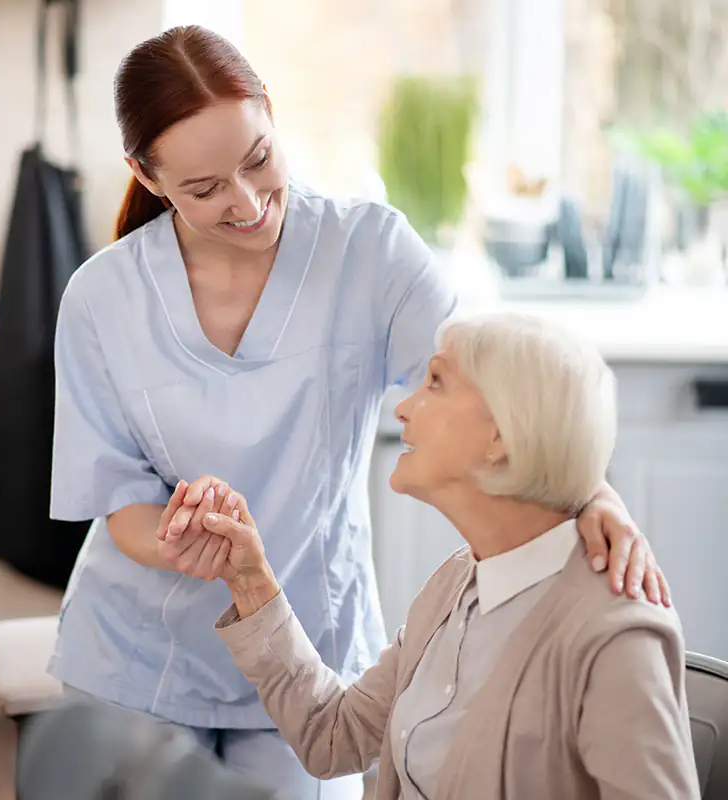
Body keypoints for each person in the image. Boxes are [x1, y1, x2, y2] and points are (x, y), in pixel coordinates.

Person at [50, 25, 670, 799]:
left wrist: (592, 493)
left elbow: (495, 386)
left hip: (312, 653)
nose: (246, 203)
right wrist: (186, 541)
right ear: (146, 173)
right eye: (205, 189)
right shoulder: (101, 297)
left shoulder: (368, 251)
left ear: (271, 112)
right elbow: (116, 499)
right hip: (134, 655)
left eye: (258, 160)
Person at [194, 312, 699, 800]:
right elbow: (335, 736)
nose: (403, 407)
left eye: (435, 382)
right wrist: (250, 579)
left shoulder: (614, 640)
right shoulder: (458, 583)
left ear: (501, 433)